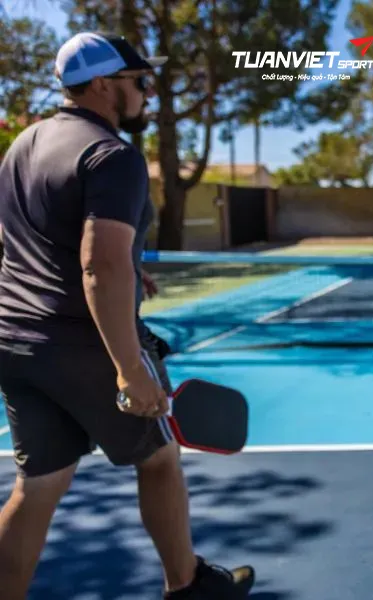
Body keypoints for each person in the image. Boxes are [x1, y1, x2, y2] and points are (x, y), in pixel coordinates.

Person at [0, 32, 254, 599]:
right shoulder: (112, 155)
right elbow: (99, 264)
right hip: (85, 346)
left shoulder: (25, 144)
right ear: (101, 85)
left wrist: (127, 268)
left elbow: (29, 239)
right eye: (139, 82)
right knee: (161, 458)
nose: (146, 93)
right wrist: (128, 368)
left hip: (15, 343)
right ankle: (187, 586)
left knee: (37, 486)